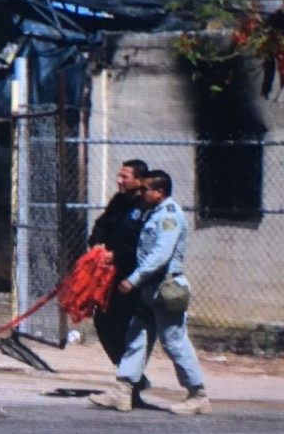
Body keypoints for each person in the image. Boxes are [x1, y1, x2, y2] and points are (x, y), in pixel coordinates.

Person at [89, 170, 211, 415]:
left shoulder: (169, 217)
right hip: (150, 290)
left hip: (166, 288)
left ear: (160, 192)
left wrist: (132, 280)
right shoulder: (150, 213)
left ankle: (198, 395)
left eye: (146, 189)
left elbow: (159, 255)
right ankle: (123, 391)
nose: (141, 193)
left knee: (174, 341)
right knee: (137, 338)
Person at [88, 159, 152, 406]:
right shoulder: (119, 201)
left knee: (127, 330)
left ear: (139, 180)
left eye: (124, 176)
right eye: (119, 175)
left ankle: (129, 385)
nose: (119, 180)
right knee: (104, 323)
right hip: (110, 276)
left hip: (132, 278)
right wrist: (96, 245)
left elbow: (141, 244)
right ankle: (132, 379)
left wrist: (117, 255)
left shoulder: (145, 206)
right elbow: (101, 225)